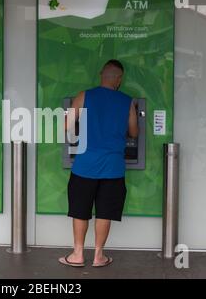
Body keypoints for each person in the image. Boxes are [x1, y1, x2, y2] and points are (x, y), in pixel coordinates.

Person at [59, 59, 139, 268]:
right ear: (119, 79)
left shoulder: (84, 96)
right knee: (105, 212)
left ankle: (77, 255)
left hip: (84, 165)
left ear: (102, 74)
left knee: (80, 210)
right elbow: (134, 132)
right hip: (112, 168)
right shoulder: (127, 101)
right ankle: (98, 256)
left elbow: (66, 126)